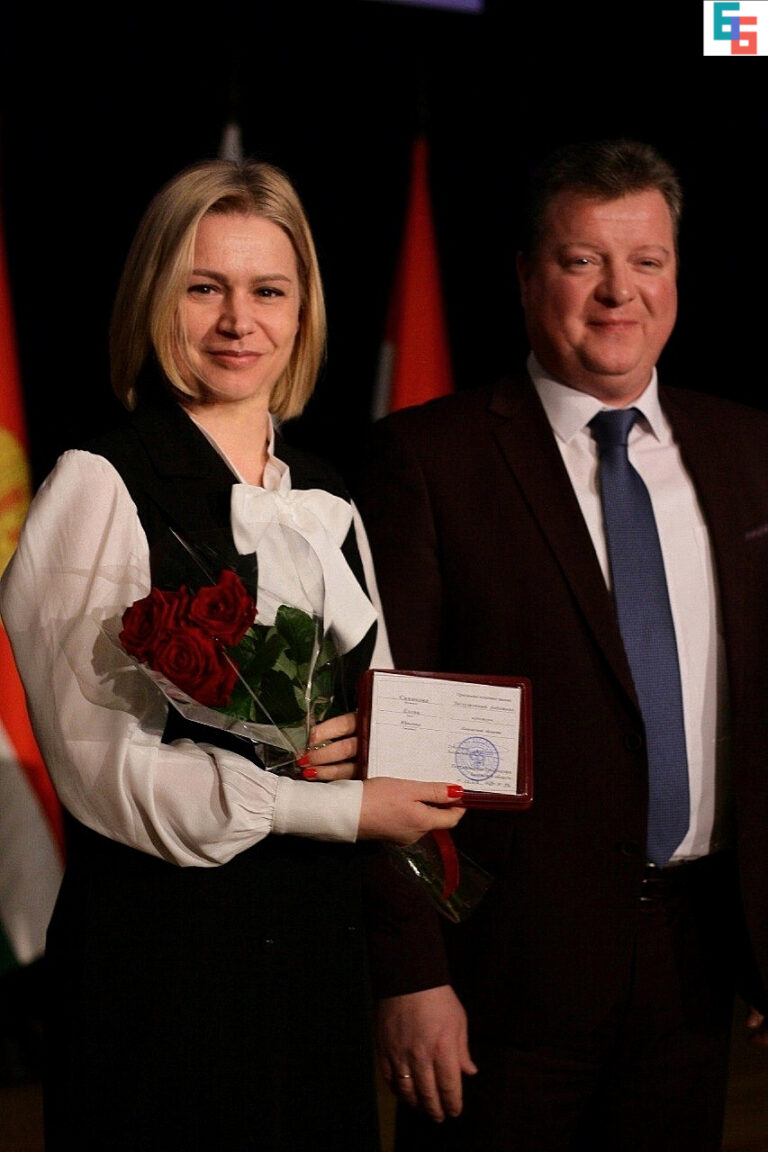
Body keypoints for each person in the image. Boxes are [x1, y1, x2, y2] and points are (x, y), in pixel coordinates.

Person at [0, 157, 465, 1152]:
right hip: (162, 967)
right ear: (154, 298)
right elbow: (103, 776)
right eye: (203, 288)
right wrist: (340, 808)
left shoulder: (328, 497)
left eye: (269, 291)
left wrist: (417, 760)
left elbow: (376, 714)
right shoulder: (100, 483)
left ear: (303, 312)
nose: (238, 321)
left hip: (315, 957)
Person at [355, 138, 768, 1151]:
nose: (620, 292)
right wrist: (412, 973)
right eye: (584, 260)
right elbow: (384, 736)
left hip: (699, 962)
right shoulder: (430, 460)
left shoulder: (749, 451)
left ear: (677, 274)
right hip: (501, 978)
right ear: (527, 274)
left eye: (647, 261)